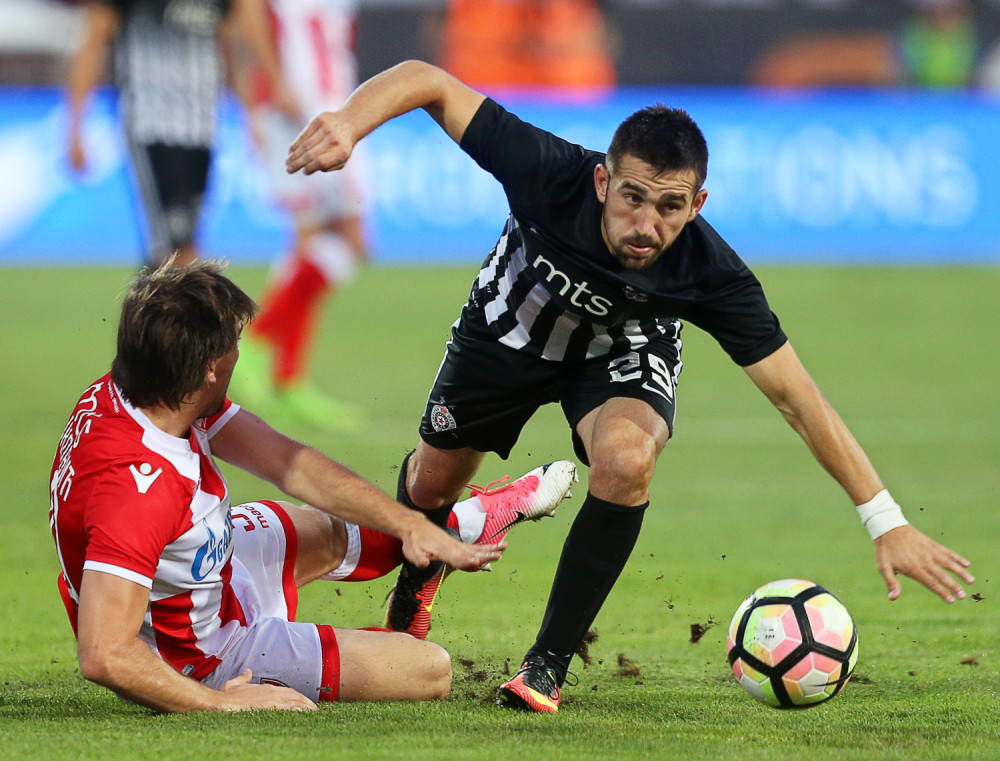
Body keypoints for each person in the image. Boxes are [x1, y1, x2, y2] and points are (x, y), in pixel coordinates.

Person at [284, 60, 975, 714]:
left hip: (622, 351)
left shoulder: (710, 273)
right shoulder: (547, 170)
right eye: (634, 197)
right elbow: (427, 80)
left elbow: (798, 399)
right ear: (602, 182)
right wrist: (347, 123)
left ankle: (546, 661)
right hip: (506, 329)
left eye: (671, 207)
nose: (647, 225)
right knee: (432, 485)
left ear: (697, 204)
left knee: (627, 459)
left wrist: (886, 519)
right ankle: (415, 588)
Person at [47, 258, 577, 712]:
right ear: (209, 369)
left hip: (209, 566)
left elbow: (289, 463)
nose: (241, 353)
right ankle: (349, 651)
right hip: (202, 652)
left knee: (343, 531)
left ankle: (463, 525)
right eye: (234, 344)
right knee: (428, 670)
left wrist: (413, 524)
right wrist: (219, 702)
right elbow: (105, 652)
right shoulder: (139, 491)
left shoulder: (148, 387)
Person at [227, 0, 368, 428]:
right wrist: (269, 86)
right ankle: (260, 343)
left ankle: (286, 377)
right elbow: (243, 17)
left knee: (314, 242)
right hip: (306, 108)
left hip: (327, 105)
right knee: (348, 238)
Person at [65, 0, 278, 267]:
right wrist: (74, 127)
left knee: (181, 245)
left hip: (203, 128)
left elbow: (231, 50)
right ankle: (187, 307)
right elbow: (92, 45)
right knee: (175, 249)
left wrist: (250, 116)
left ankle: (155, 307)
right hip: (151, 125)